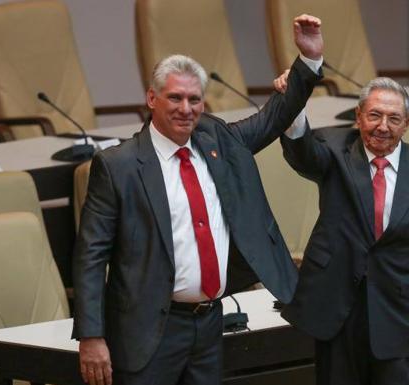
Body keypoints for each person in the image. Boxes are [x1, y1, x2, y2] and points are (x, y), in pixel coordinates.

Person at [72, 14, 323, 385]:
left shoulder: (217, 139)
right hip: (147, 331)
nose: (185, 109)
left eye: (194, 99)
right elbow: (91, 255)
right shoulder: (118, 165)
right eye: (174, 97)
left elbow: (273, 118)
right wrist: (92, 336)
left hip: (208, 325)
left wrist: (308, 61)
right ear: (152, 98)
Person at [274, 75, 409, 385]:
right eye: (374, 115)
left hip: (400, 313)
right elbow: (303, 154)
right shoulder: (335, 150)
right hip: (338, 311)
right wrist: (293, 105)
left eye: (393, 118)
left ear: (408, 123)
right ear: (359, 116)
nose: (383, 126)